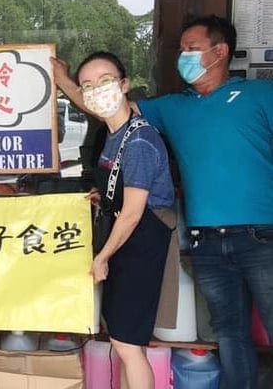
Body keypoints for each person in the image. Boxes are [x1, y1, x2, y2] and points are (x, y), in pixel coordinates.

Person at [54, 15, 273, 389]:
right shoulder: (172, 108)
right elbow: (107, 109)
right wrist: (62, 80)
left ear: (220, 52)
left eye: (191, 48)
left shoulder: (260, 95)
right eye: (181, 49)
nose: (182, 56)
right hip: (205, 239)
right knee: (231, 335)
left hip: (262, 236)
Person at [75, 52, 175, 389]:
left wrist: (102, 257)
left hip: (140, 244)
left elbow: (133, 212)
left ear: (124, 84)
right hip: (125, 241)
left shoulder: (140, 141)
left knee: (129, 345)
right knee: (120, 339)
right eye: (87, 86)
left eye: (104, 81)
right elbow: (122, 188)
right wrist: (102, 195)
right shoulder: (115, 133)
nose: (96, 90)